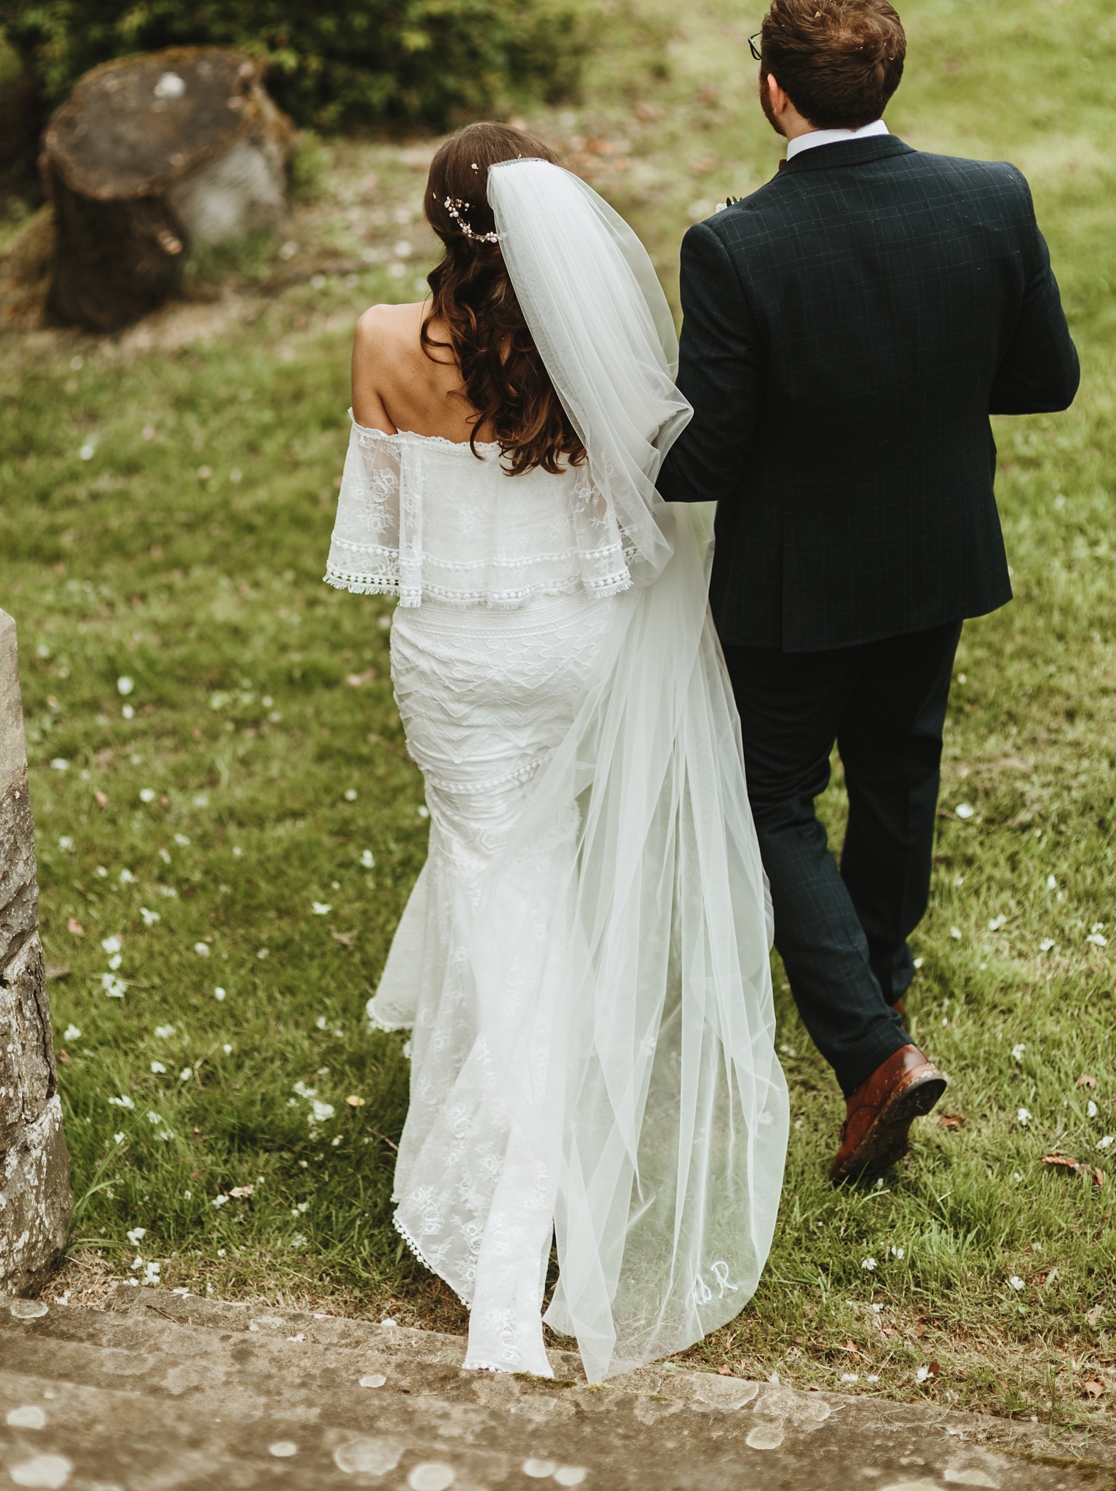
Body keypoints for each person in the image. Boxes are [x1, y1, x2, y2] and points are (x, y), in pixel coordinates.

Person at [325, 124, 787, 1383]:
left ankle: (506, 1263)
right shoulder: (584, 357)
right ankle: (510, 1170)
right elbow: (642, 516)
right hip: (569, 661)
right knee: (528, 897)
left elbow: (379, 540)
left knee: (498, 902)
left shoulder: (377, 343)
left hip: (452, 668)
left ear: (439, 224)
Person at [656, 0, 1080, 1183]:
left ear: (776, 94)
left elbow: (706, 461)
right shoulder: (989, 198)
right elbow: (1044, 378)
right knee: (900, 772)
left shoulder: (736, 246)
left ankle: (872, 1051)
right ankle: (881, 981)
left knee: (770, 796)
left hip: (795, 589)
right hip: (936, 556)